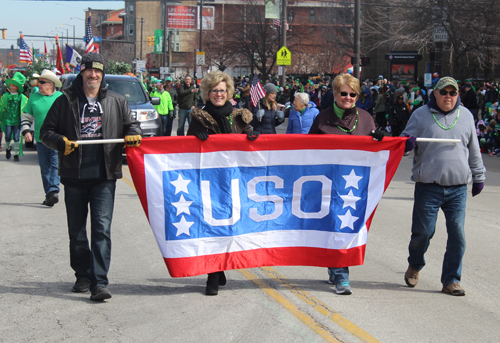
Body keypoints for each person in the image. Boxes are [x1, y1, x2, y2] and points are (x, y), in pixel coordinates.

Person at [40, 52, 142, 302]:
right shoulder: (64, 100)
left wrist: (133, 133)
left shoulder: (117, 101)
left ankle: (99, 281)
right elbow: (46, 132)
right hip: (73, 175)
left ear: (102, 74)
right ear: (81, 73)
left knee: (101, 229)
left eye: (97, 71)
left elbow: (132, 125)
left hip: (104, 175)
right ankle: (82, 275)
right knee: (76, 231)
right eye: (88, 71)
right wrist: (60, 142)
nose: (93, 75)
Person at [402, 77, 485, 296]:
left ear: (458, 95)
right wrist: (406, 144)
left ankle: (451, 280)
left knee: (458, 235)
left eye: (453, 93)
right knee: (423, 234)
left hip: (457, 188)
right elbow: (403, 145)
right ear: (435, 94)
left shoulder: (466, 116)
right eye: (444, 92)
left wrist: (479, 176)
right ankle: (415, 264)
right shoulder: (420, 115)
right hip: (428, 187)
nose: (448, 96)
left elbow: (474, 150)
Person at [308, 73, 384, 295]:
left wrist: (382, 137)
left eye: (353, 94)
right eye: (344, 93)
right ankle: (341, 274)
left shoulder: (367, 119)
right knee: (335, 226)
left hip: (356, 185)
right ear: (334, 93)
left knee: (348, 227)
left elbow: (376, 149)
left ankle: (336, 265)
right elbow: (307, 151)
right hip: (329, 184)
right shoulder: (322, 119)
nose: (348, 97)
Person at [186, 70, 259, 296]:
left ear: (229, 92)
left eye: (222, 90)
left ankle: (222, 265)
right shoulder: (198, 117)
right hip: (210, 181)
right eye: (214, 91)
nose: (219, 94)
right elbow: (186, 151)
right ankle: (213, 274)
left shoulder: (240, 116)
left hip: (235, 180)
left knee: (231, 225)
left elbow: (250, 143)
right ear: (208, 93)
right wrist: (194, 138)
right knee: (212, 224)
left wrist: (253, 136)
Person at [21, 70, 63, 206]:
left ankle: (53, 190)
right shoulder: (34, 97)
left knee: (56, 166)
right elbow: (26, 115)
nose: (39, 84)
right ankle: (49, 194)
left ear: (51, 84)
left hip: (57, 139)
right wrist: (26, 130)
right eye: (39, 82)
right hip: (40, 139)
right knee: (45, 169)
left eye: (43, 82)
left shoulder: (61, 97)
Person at [0, 72, 28, 162]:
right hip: (8, 120)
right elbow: (1, 107)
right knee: (7, 137)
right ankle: (8, 148)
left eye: (13, 86)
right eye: (10, 85)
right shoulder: (6, 96)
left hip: (17, 120)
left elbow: (26, 107)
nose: (11, 87)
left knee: (16, 137)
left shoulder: (21, 97)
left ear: (17, 87)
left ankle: (16, 154)